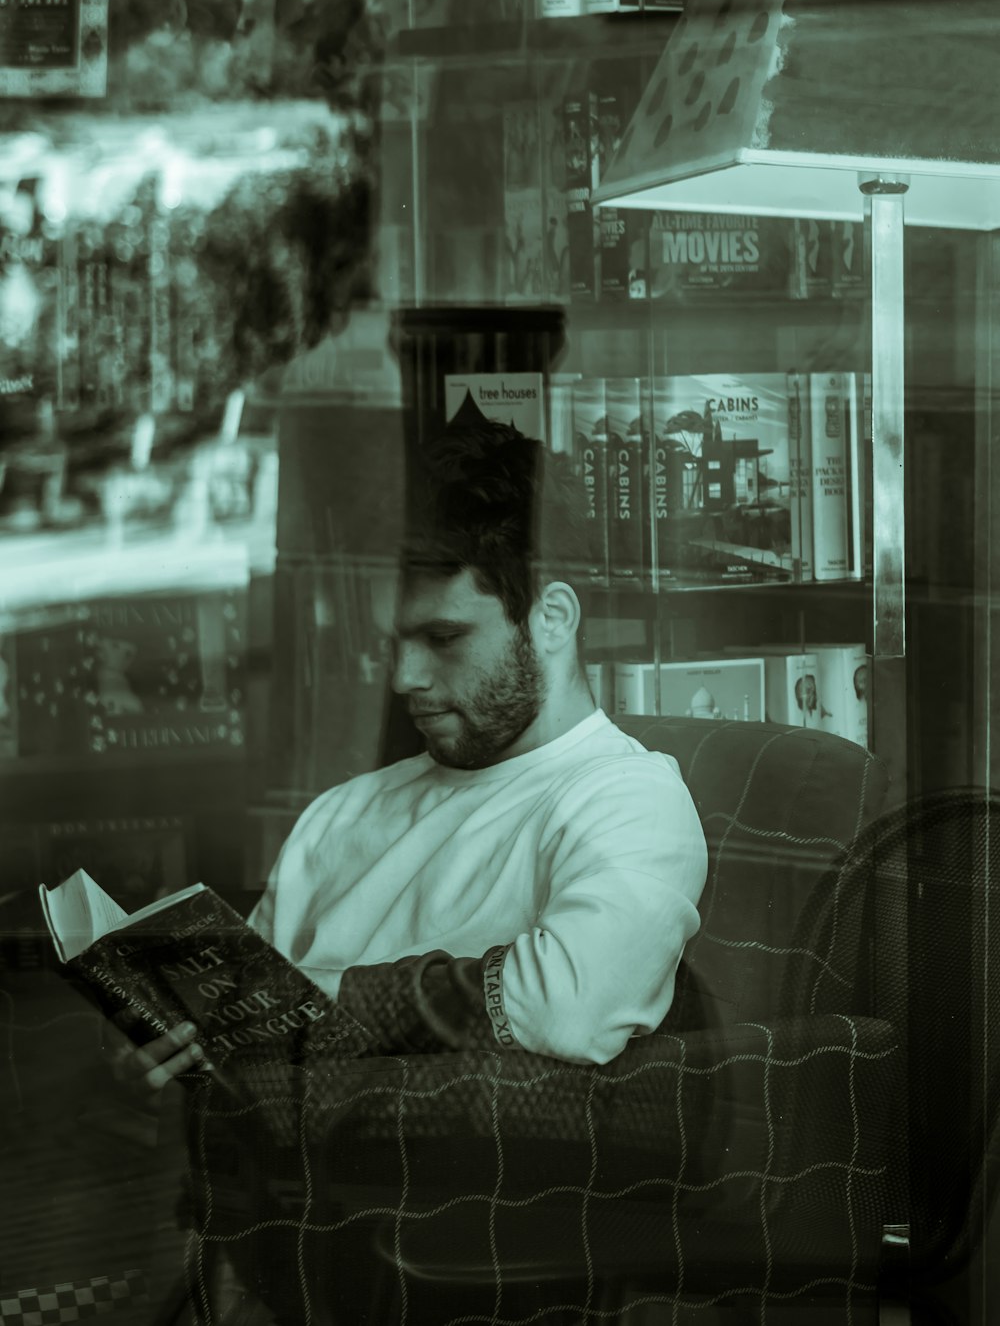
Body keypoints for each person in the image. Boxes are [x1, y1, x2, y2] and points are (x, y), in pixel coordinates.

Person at [125, 418, 707, 1089]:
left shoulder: (627, 799)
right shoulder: (338, 816)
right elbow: (230, 1022)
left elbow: (566, 1010)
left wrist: (302, 998)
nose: (404, 678)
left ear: (552, 619)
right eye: (391, 643)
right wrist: (164, 1050)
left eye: (442, 636)